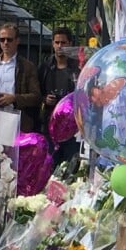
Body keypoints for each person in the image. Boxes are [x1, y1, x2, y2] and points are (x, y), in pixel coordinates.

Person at [0, 23, 41, 132]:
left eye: (9, 39)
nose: (5, 43)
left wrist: (14, 98)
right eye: (2, 39)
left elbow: (36, 96)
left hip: (14, 117)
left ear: (17, 41)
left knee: (10, 149)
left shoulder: (27, 66)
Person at [38, 27, 81, 165]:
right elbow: (35, 93)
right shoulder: (45, 67)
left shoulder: (77, 68)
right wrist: (45, 99)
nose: (60, 46)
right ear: (52, 44)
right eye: (57, 42)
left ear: (69, 44)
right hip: (50, 125)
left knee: (70, 165)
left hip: (72, 126)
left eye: (63, 42)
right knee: (50, 165)